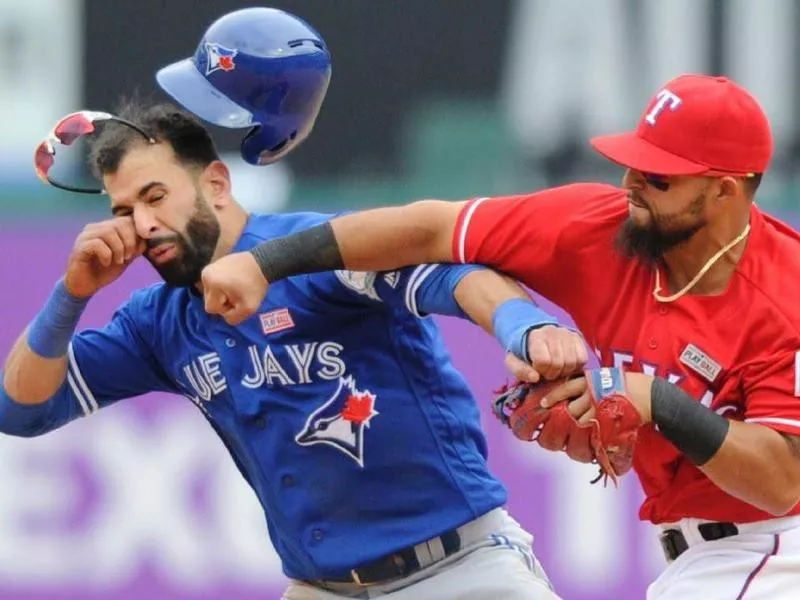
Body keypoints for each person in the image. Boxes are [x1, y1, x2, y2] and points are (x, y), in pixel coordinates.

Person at [2, 8, 587, 600]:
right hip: (322, 589)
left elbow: (448, 275)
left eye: (155, 196)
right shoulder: (158, 320)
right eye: (124, 211)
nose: (143, 224)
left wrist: (524, 325)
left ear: (215, 185)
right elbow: (21, 410)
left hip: (457, 572)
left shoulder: (314, 251)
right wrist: (70, 295)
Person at [202, 73, 800, 599]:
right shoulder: (598, 228)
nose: (632, 182)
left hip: (776, 551)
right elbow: (430, 229)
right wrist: (265, 263)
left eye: (659, 177)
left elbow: (782, 483)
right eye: (633, 162)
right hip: (700, 560)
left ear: (724, 189)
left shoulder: (785, 293)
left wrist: (655, 400)